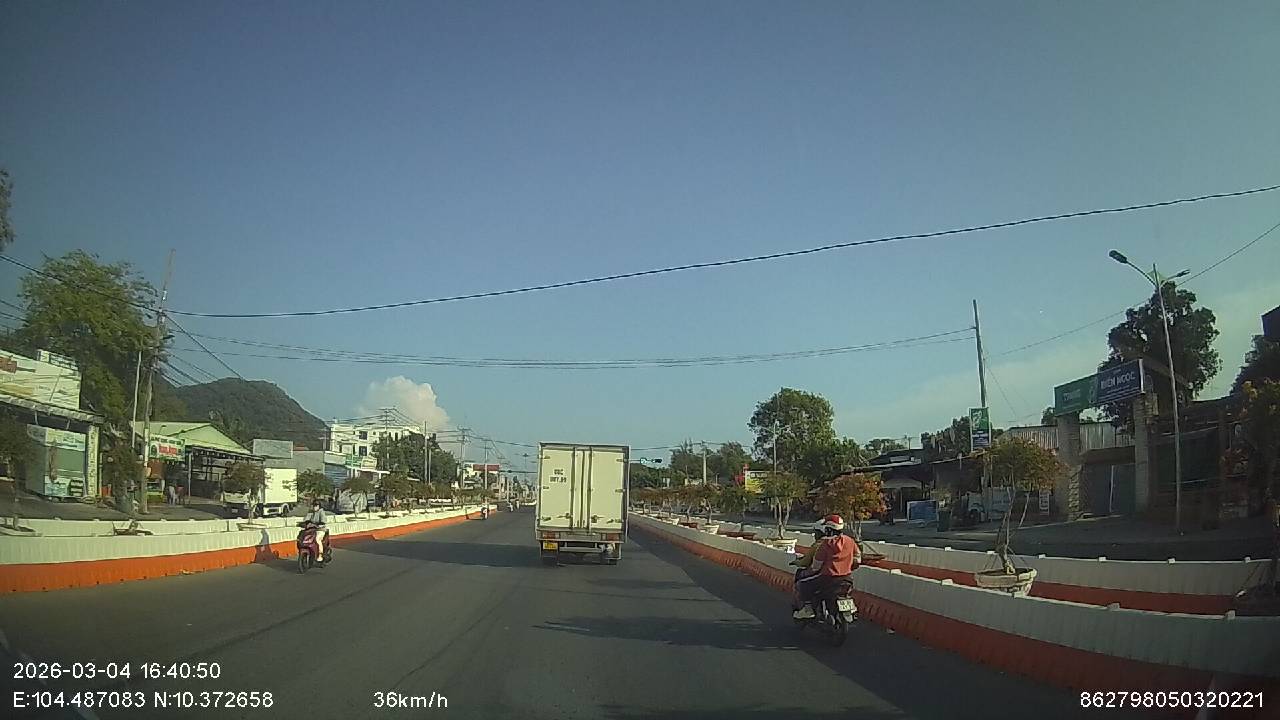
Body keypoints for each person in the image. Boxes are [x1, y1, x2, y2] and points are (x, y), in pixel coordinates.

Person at [793, 514, 859, 620]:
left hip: (826, 579)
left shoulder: (825, 545)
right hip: (847, 578)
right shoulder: (850, 541)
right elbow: (858, 559)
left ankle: (808, 610)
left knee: (802, 584)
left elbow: (816, 567)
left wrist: (807, 572)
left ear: (828, 529)